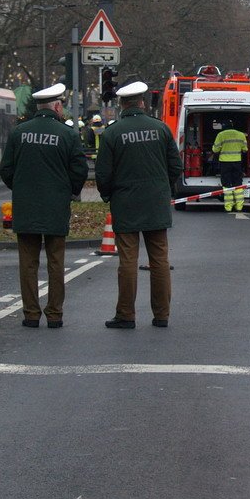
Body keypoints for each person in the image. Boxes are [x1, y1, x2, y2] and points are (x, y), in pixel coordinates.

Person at [0, 83, 88, 328]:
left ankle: (30, 314)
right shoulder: (67, 134)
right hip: (56, 208)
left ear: (38, 107)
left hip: (26, 208)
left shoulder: (19, 132)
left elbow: (5, 169)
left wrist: (20, 188)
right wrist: (69, 191)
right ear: (57, 106)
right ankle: (55, 314)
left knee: (28, 263)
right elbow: (79, 169)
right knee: (56, 262)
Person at [96, 80, 182, 329]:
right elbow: (176, 167)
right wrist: (162, 188)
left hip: (126, 205)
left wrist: (108, 195)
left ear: (122, 104)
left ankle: (125, 314)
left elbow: (103, 174)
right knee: (160, 260)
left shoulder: (112, 133)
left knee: (128, 262)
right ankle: (162, 315)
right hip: (156, 203)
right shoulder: (161, 129)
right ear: (142, 102)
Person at [212, 119, 248, 212]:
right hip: (237, 162)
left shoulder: (221, 135)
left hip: (225, 163)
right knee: (238, 184)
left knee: (227, 185)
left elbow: (215, 150)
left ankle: (228, 207)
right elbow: (245, 149)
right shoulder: (241, 135)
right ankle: (239, 206)